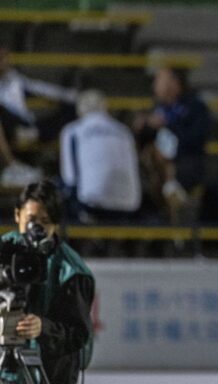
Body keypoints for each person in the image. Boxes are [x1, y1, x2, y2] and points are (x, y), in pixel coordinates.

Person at [0, 180, 94, 384]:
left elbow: (79, 335)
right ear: (17, 215)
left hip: (52, 374)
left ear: (56, 223)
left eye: (45, 221)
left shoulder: (71, 271)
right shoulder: (4, 251)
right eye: (31, 219)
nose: (37, 228)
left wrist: (43, 328)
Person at [132, 67, 210, 223]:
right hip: (156, 166)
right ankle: (168, 199)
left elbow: (195, 140)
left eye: (159, 80)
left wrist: (165, 126)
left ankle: (173, 201)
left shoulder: (195, 108)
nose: (154, 85)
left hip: (186, 164)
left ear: (174, 83)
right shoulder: (158, 109)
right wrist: (142, 127)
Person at [60, 89, 141, 223]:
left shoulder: (72, 130)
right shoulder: (124, 131)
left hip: (92, 206)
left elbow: (69, 177)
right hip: (130, 205)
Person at [0, 46, 77, 187]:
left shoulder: (15, 80)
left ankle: (66, 171)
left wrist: (70, 95)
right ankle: (12, 165)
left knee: (71, 108)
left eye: (4, 58)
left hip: (24, 125)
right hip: (7, 127)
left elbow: (43, 89)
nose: (3, 62)